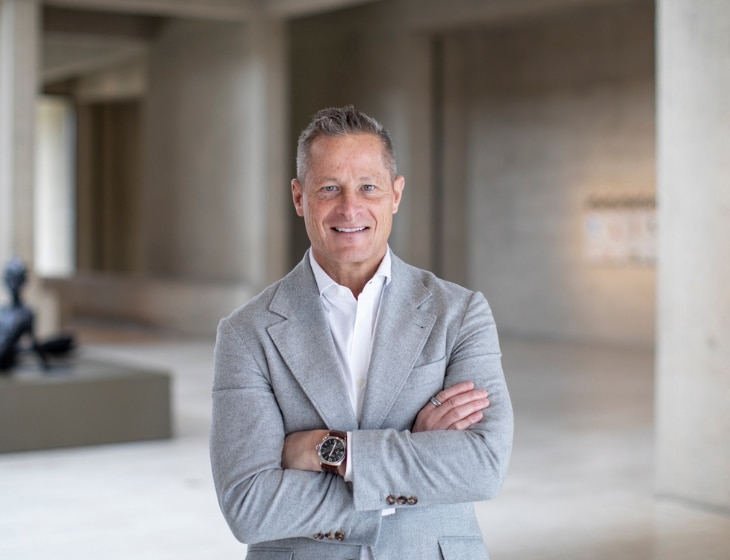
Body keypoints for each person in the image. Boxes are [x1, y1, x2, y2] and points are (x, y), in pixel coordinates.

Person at [210, 105, 513, 560]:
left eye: (368, 187)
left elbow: (482, 466)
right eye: (329, 188)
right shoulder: (246, 333)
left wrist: (325, 451)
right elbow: (249, 507)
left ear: (395, 194)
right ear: (299, 197)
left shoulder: (460, 313)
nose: (350, 208)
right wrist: (415, 452)